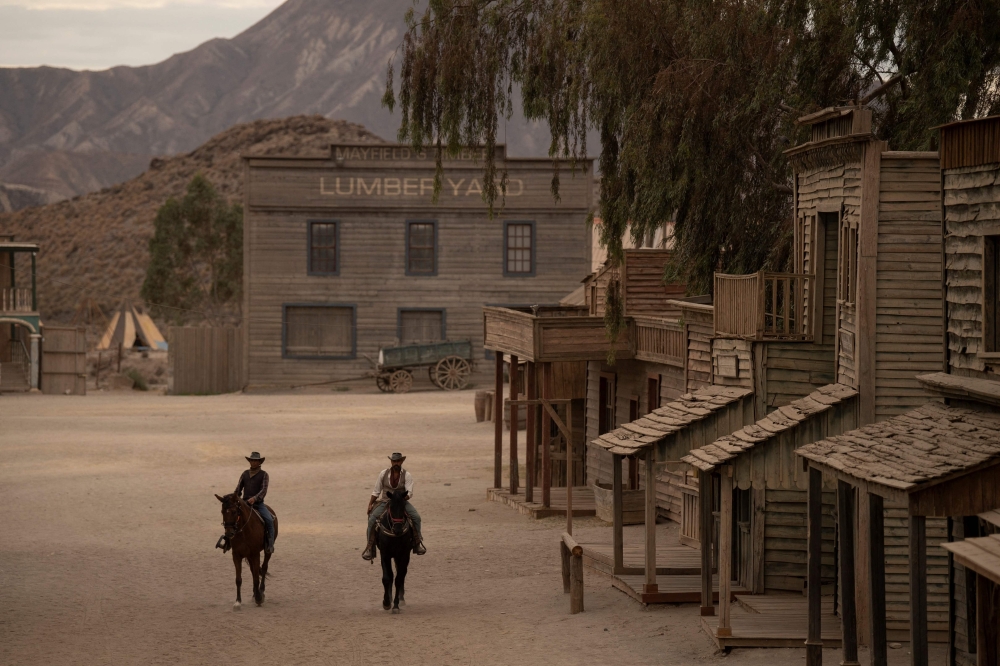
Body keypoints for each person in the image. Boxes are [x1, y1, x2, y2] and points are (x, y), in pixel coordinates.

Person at [363, 452, 426, 560]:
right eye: (394, 461)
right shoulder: (383, 473)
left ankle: (417, 542)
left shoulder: (407, 475)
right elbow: (376, 491)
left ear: (402, 461)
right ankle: (370, 547)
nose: (396, 463)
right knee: (372, 519)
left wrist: (399, 499)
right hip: (385, 501)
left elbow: (409, 492)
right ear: (391, 462)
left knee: (416, 517)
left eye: (398, 461)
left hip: (401, 502)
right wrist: (370, 504)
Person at [235, 451, 275, 554]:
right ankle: (228, 541)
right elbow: (238, 488)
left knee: (270, 520)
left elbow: (263, 490)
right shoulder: (244, 474)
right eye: (252, 460)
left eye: (255, 461)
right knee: (231, 518)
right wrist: (234, 498)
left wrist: (255, 498)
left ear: (259, 462)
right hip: (244, 503)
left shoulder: (264, 474)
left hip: (258, 504)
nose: (253, 462)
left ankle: (270, 544)